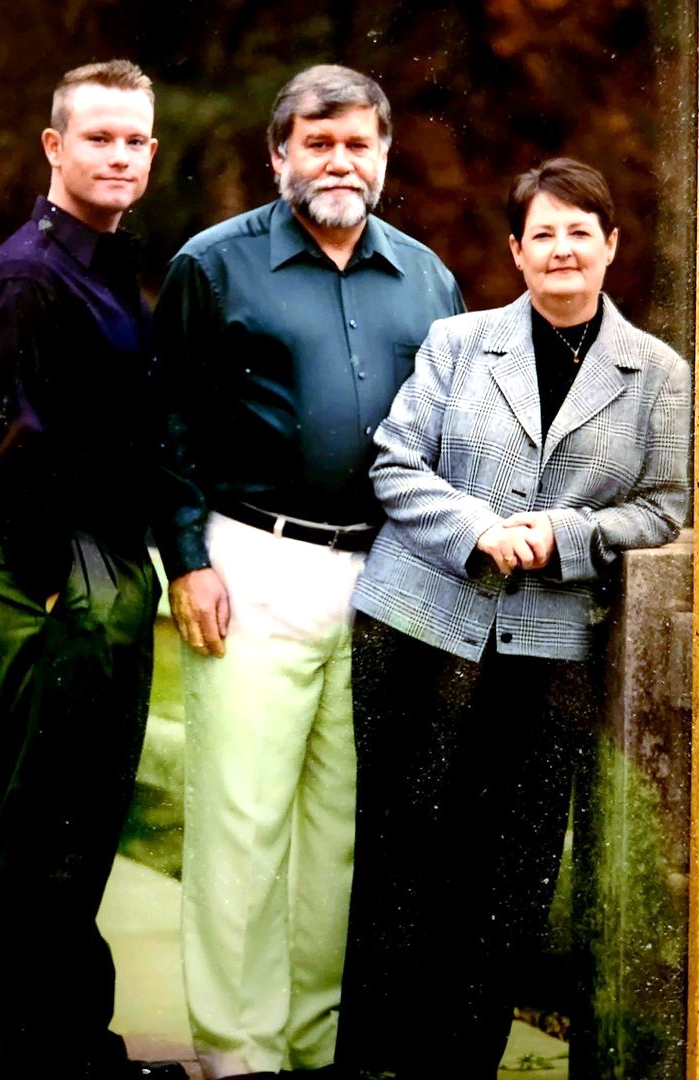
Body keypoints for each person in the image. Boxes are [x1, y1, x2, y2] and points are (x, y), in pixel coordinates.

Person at [334, 157, 692, 1079]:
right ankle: (372, 1064)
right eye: (544, 233)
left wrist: (566, 534)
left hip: (545, 650)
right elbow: (395, 463)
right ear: (516, 251)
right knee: (399, 856)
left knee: (508, 875)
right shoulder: (459, 342)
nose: (562, 248)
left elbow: (662, 506)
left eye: (581, 231)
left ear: (611, 246)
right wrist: (480, 530)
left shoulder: (658, 374)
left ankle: (460, 1065)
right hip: (418, 628)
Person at [153, 64, 463, 1080]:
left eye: (357, 143)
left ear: (384, 154)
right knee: (243, 821)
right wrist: (188, 560)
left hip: (383, 577)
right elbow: (169, 424)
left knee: (340, 831)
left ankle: (313, 1046)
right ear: (279, 153)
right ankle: (240, 1053)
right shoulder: (213, 266)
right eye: (317, 142)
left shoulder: (427, 279)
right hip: (251, 563)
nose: (339, 161)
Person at [0, 60, 186, 1080]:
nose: (120, 155)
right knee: (40, 825)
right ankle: (20, 1060)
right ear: (54, 146)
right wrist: (57, 584)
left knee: (83, 823)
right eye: (99, 137)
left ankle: (75, 1050)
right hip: (52, 570)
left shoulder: (105, 262)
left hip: (104, 568)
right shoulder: (25, 278)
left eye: (135, 140)